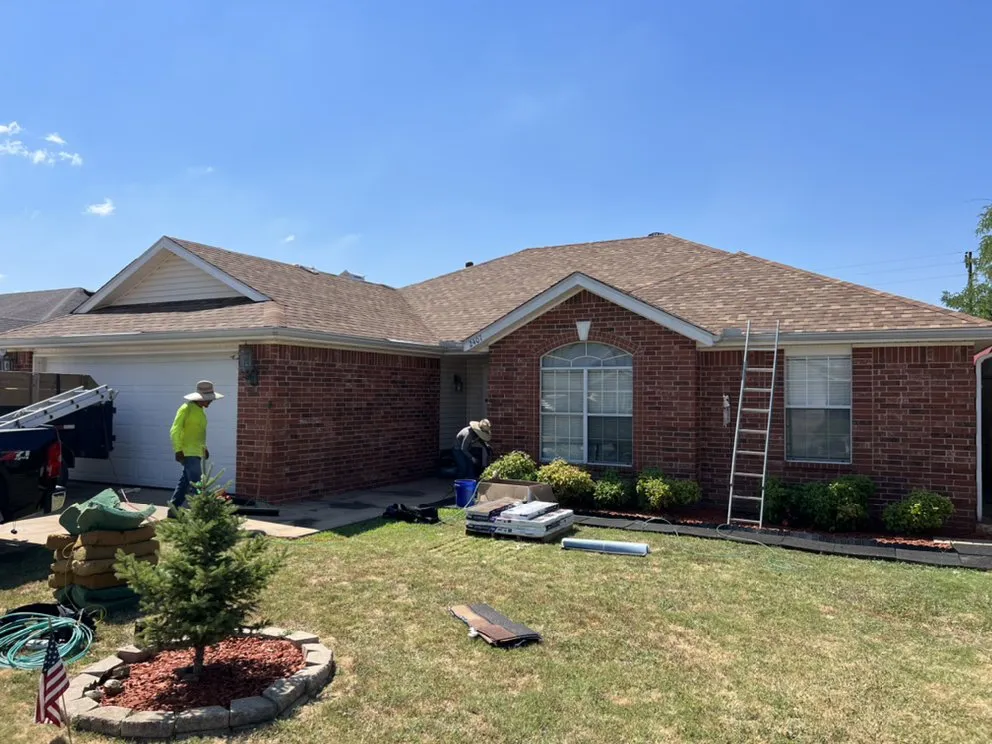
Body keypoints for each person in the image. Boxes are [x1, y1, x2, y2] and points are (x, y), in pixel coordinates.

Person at [169, 380, 223, 510]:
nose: (211, 401)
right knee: (197, 484)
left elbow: (198, 433)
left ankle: (173, 509)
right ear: (199, 398)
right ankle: (202, 511)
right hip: (187, 452)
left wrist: (204, 448)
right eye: (208, 399)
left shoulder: (200, 411)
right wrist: (177, 450)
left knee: (185, 482)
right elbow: (174, 430)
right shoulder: (186, 409)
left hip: (197, 451)